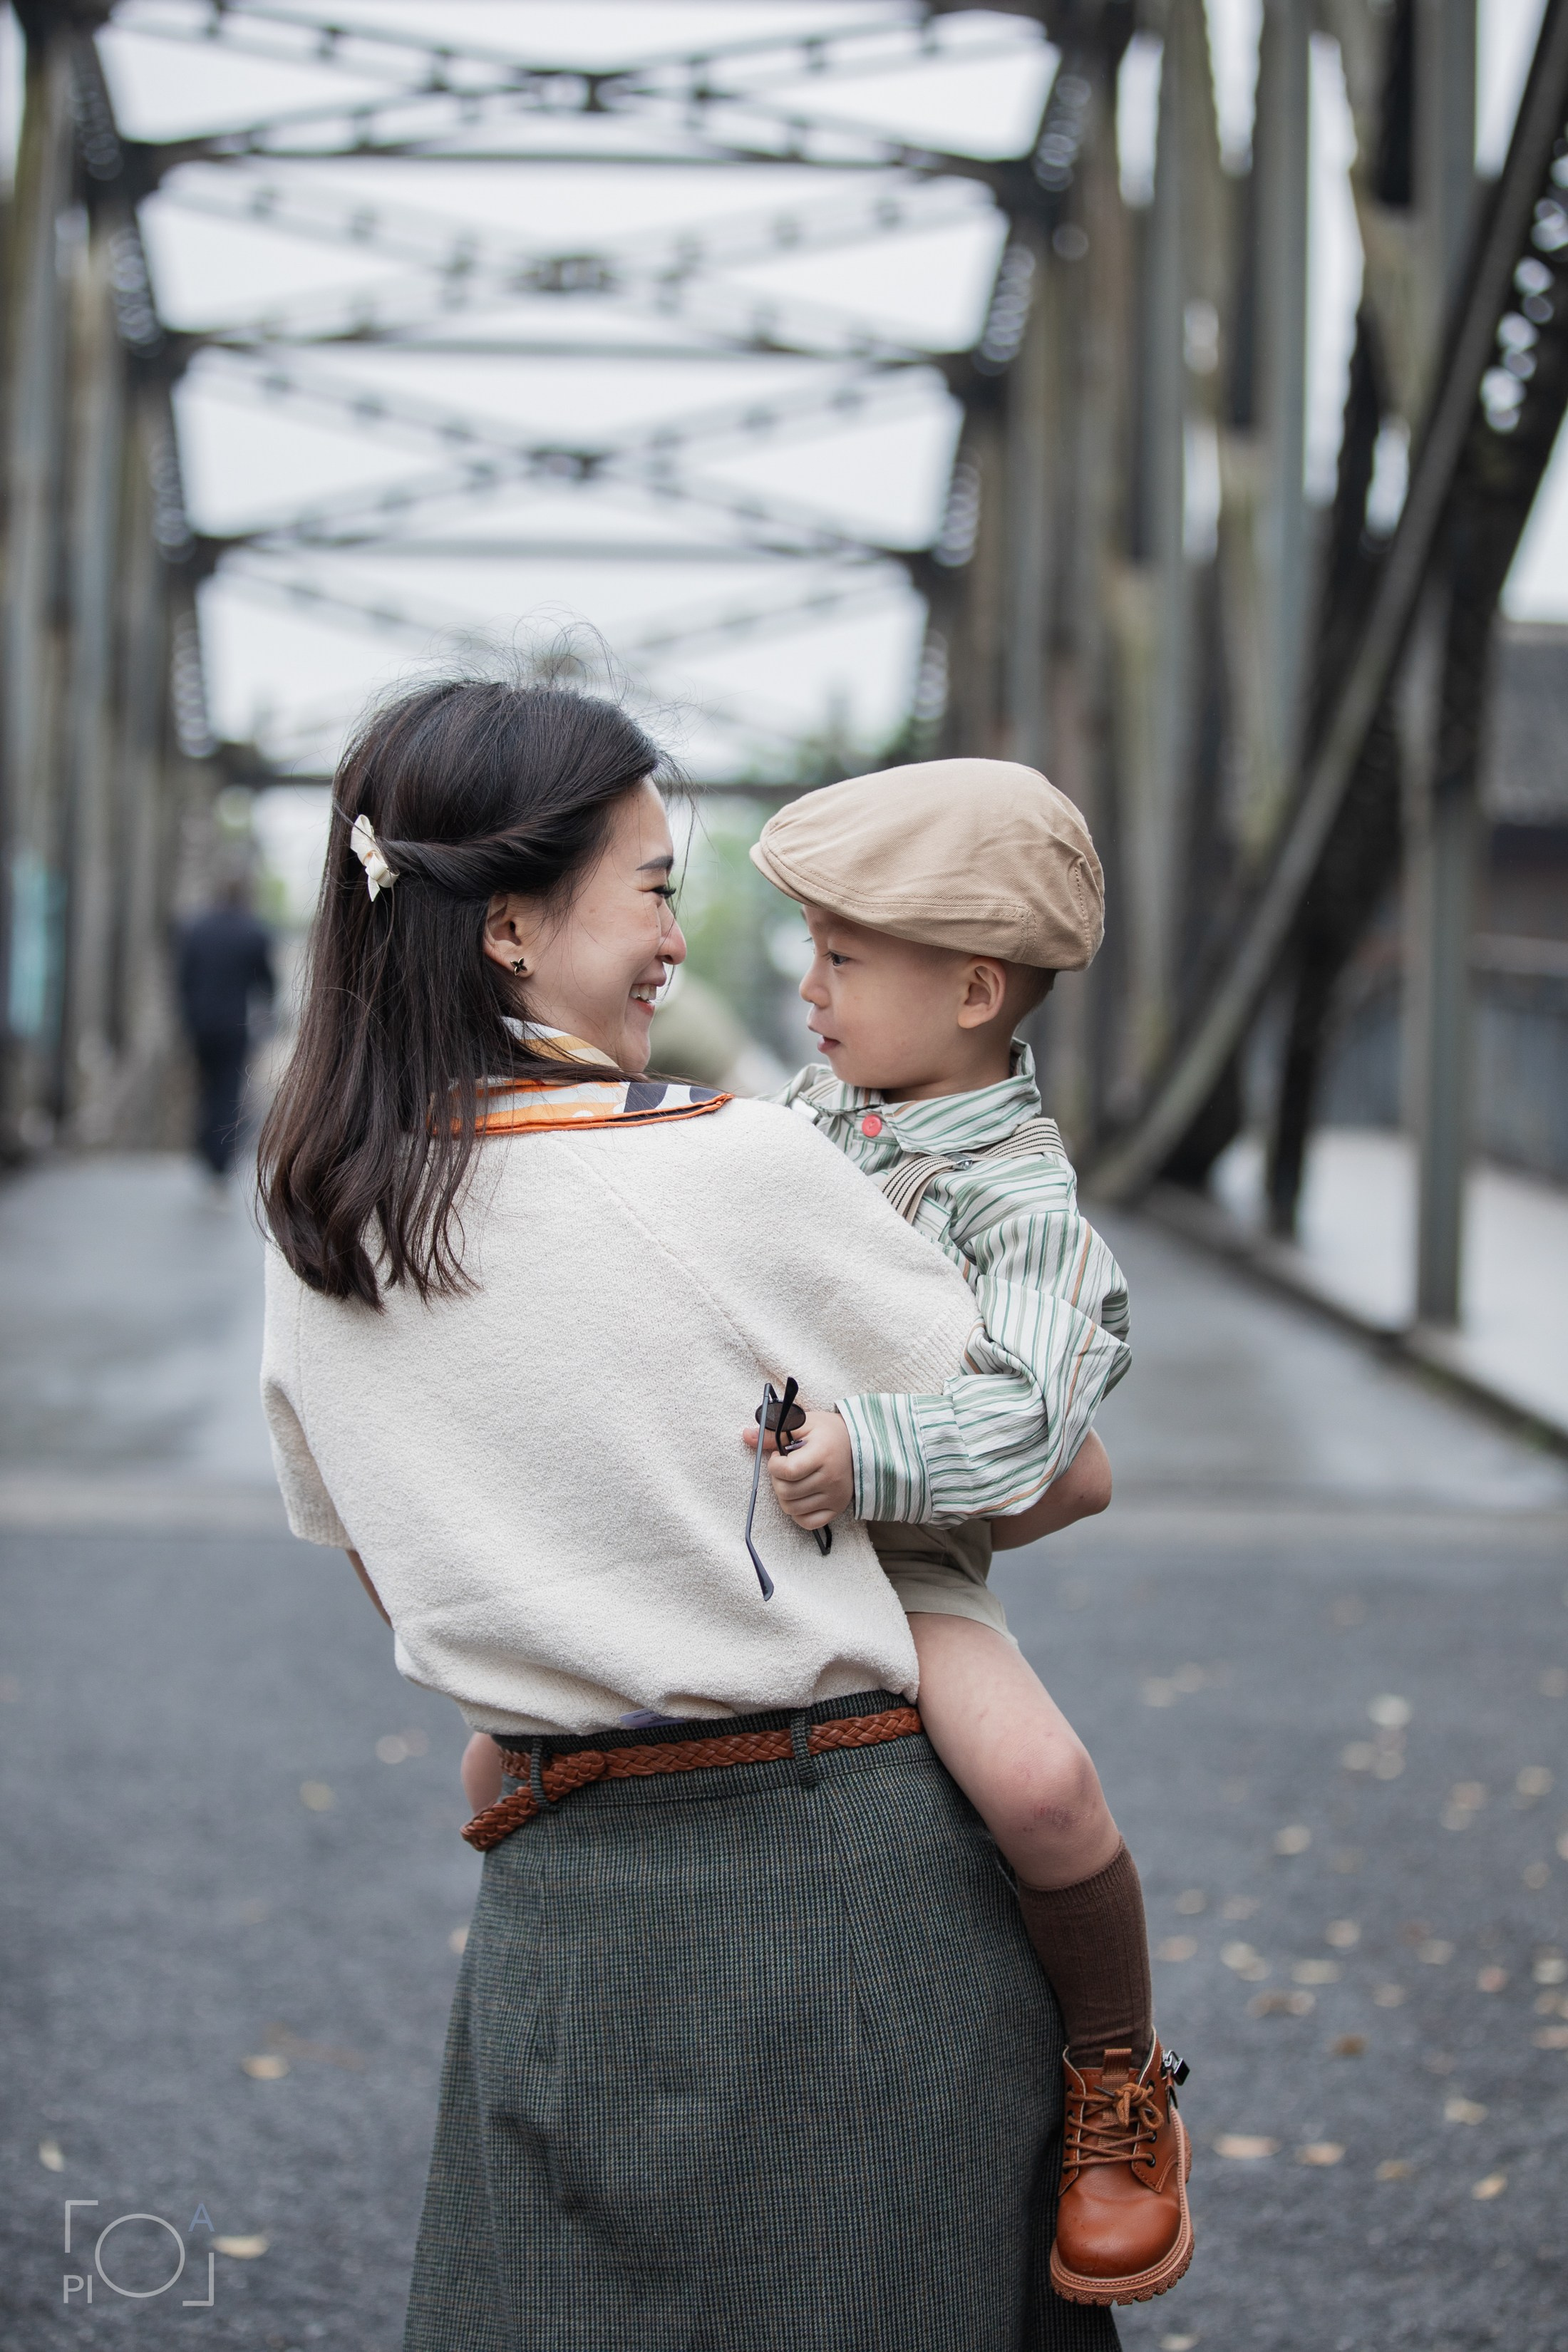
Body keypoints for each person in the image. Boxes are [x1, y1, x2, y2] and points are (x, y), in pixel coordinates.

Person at [257, 679, 1123, 2352]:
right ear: (512, 926)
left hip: (560, 1921)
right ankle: (1131, 2072)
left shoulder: (322, 1224)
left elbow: (412, 1583)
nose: (678, 933)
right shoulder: (738, 1164)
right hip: (847, 1909)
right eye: (654, 884)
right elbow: (1054, 1463)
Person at [741, 757, 1191, 2309]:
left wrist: (866, 1451)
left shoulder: (1021, 1206)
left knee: (1041, 1783)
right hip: (745, 1518)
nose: (806, 990)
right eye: (809, 952)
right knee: (497, 1755)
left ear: (973, 991)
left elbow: (1026, 1424)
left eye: (842, 958)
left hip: (904, 1551)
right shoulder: (811, 1117)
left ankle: (1113, 2085)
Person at [175, 873, 274, 1190]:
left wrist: (187, 1016)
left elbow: (183, 978)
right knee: (227, 1090)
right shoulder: (253, 931)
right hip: (234, 1023)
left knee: (205, 1084)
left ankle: (205, 1151)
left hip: (201, 1022)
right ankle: (218, 1158)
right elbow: (267, 984)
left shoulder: (196, 928)